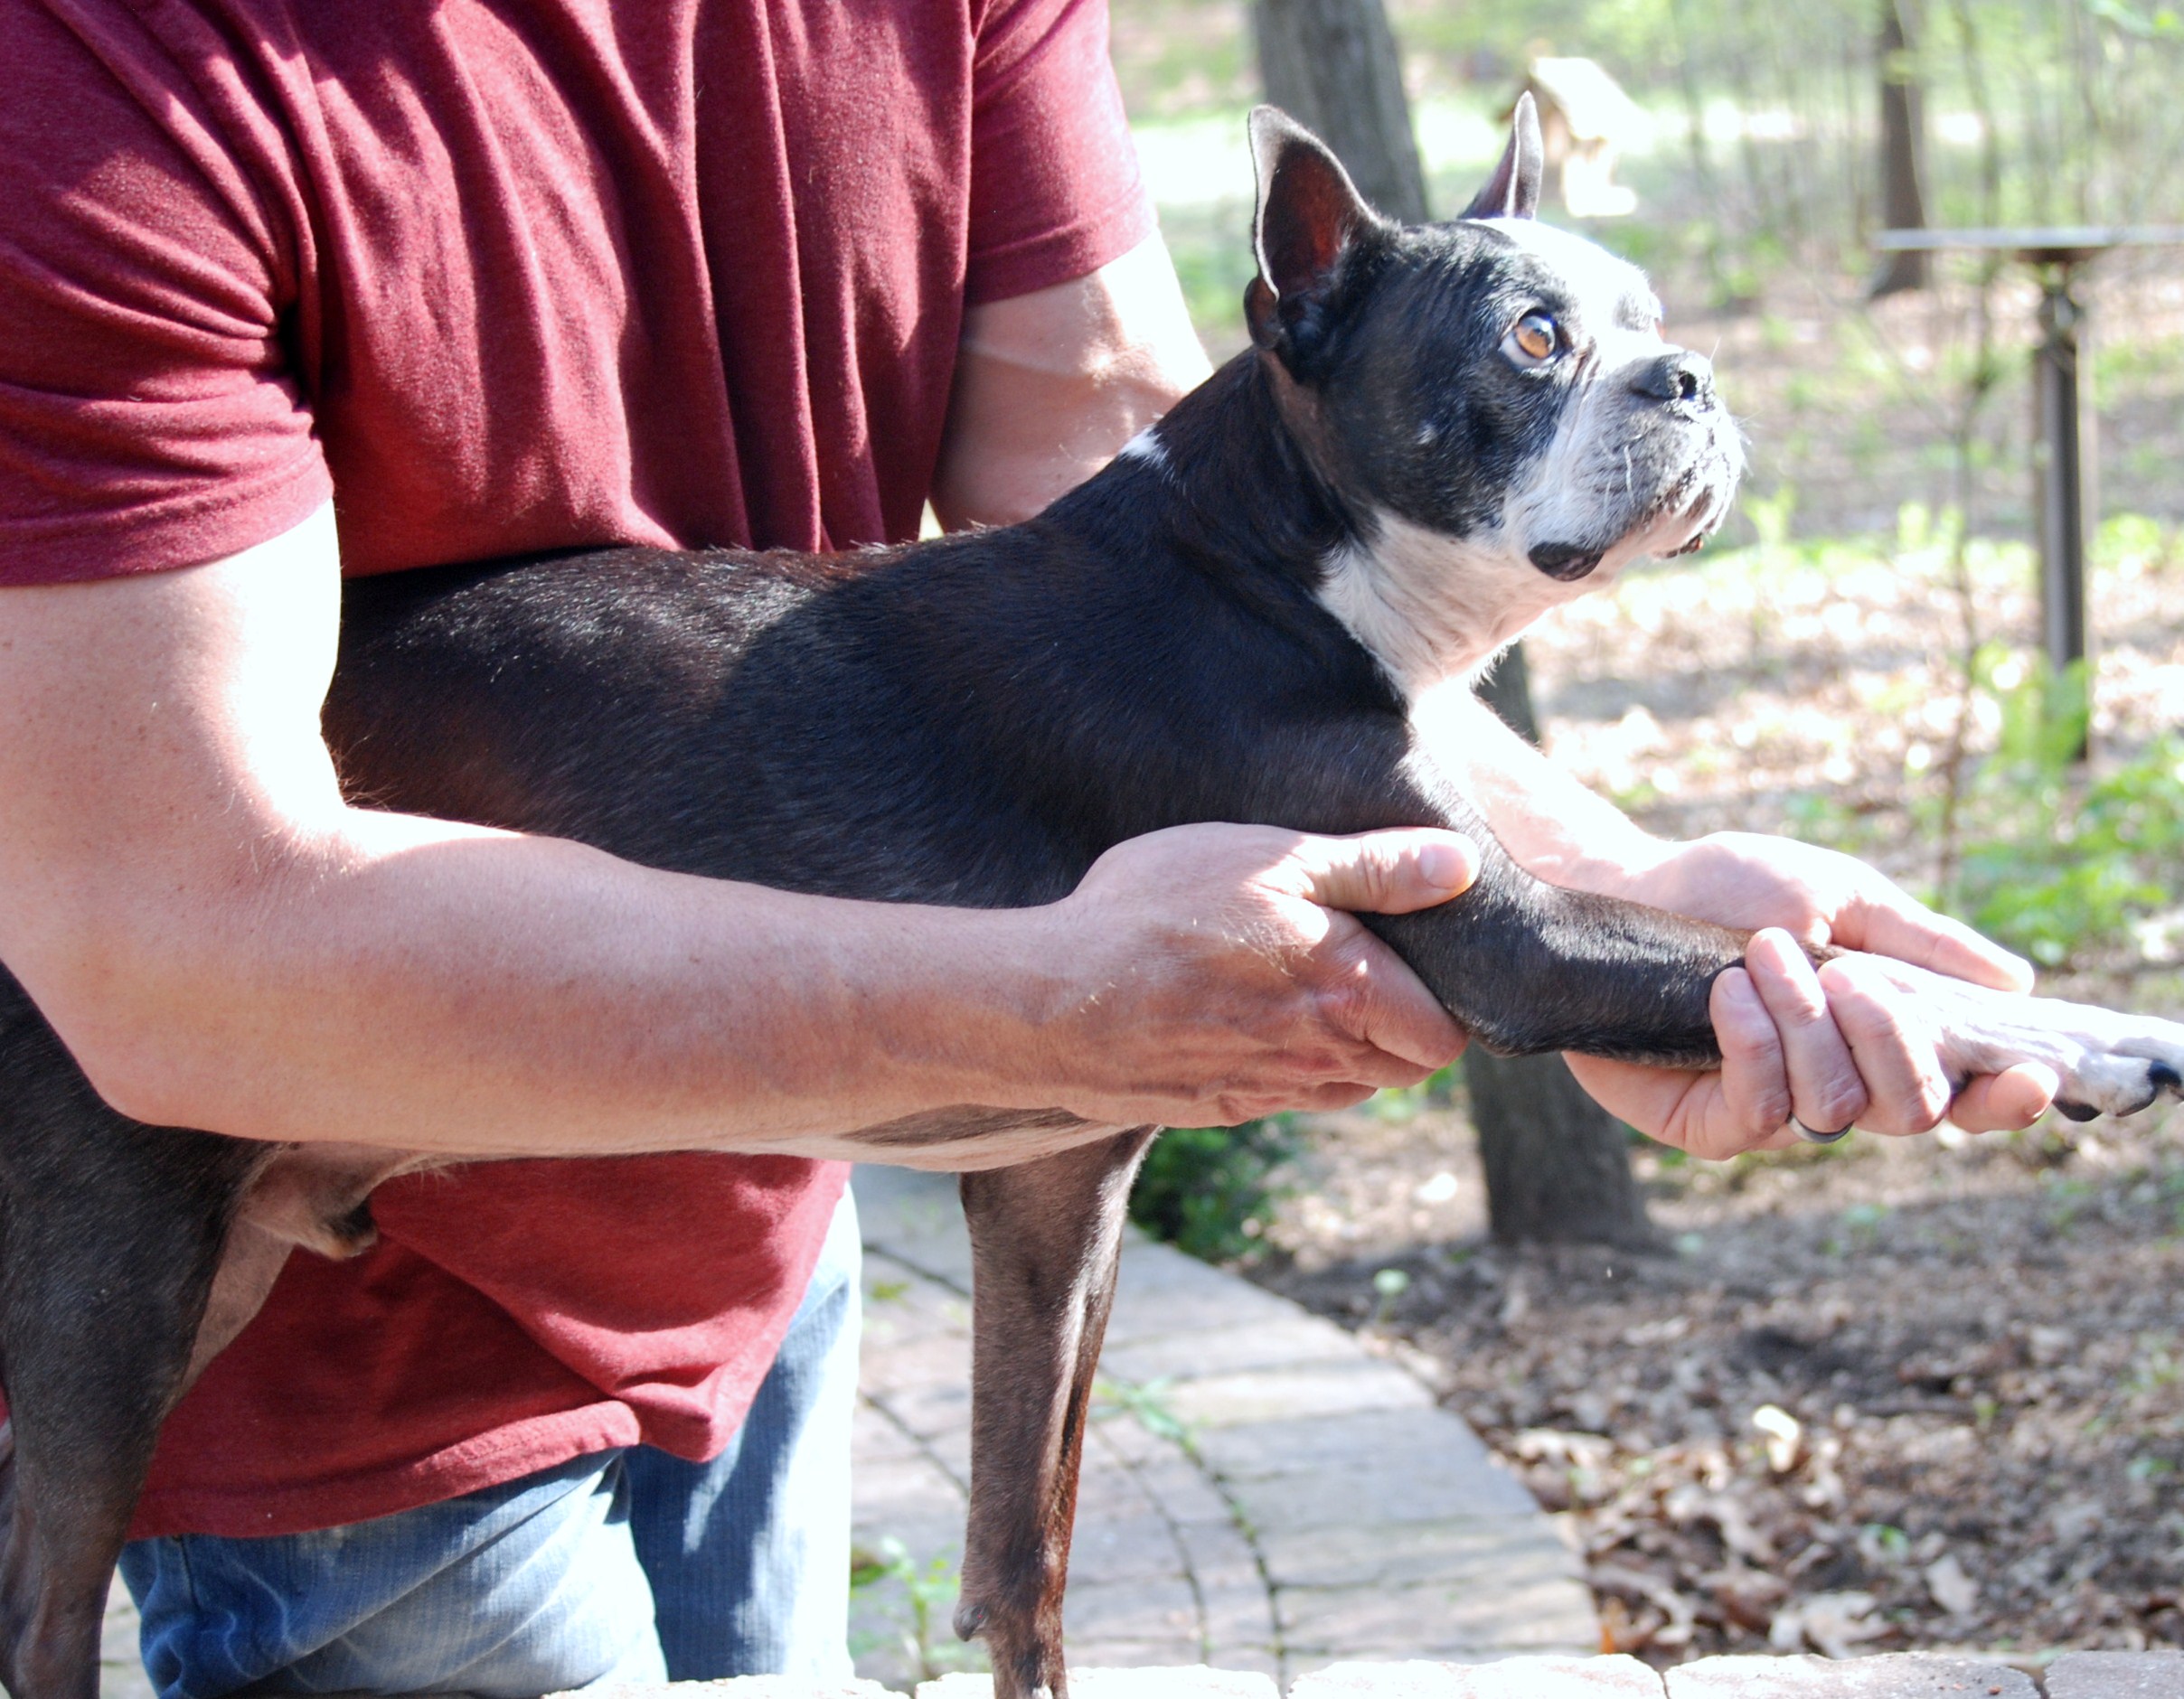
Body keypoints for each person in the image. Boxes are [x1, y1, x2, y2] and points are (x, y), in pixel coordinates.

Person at [0, 3, 2063, 1694]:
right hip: (352, 1401)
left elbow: (1162, 522)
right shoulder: (95, 78)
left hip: (754, 1259)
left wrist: (1601, 889)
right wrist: (1041, 1007)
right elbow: (177, 920)